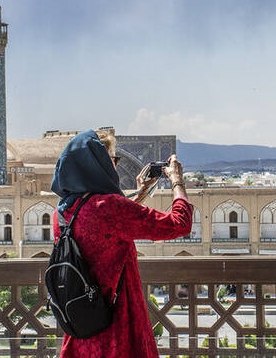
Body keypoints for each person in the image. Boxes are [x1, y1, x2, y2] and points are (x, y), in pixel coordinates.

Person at [51, 128, 192, 358]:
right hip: (116, 326)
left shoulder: (63, 212)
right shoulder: (110, 208)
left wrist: (140, 193)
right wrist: (177, 182)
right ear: (98, 164)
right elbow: (179, 224)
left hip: (82, 327)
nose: (115, 166)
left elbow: (103, 228)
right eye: (112, 160)